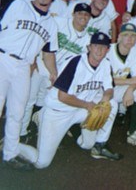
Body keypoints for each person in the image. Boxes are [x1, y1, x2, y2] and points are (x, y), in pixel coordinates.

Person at [18, 32, 122, 169]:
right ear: (89, 47)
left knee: (90, 141)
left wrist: (104, 100)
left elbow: (109, 89)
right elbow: (63, 97)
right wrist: (87, 105)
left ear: (108, 50)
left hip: (80, 109)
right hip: (58, 111)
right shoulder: (75, 62)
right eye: (96, 45)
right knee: (41, 163)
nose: (99, 50)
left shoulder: (105, 64)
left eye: (103, 47)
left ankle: (78, 133)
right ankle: (14, 144)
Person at [0, 0, 59, 170]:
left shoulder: (51, 24)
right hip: (3, 58)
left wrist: (53, 74)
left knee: (17, 112)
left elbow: (48, 54)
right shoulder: (18, 5)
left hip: (23, 68)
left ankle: (9, 154)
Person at [20, 3, 92, 142]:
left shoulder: (87, 39)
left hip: (57, 75)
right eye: (80, 13)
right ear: (73, 14)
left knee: (47, 104)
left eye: (86, 14)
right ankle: (21, 133)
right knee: (28, 100)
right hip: (41, 64)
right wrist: (32, 58)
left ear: (89, 18)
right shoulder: (57, 22)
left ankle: (38, 128)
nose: (83, 16)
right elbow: (37, 36)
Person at [107, 23, 136, 148]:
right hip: (102, 91)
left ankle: (133, 132)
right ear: (119, 37)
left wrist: (130, 90)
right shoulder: (108, 50)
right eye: (126, 35)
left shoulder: (135, 52)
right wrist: (130, 82)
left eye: (133, 36)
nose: (130, 38)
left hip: (118, 89)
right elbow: (107, 80)